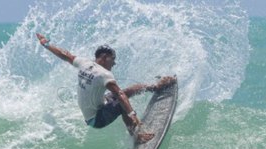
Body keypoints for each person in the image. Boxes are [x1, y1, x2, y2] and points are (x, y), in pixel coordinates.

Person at [36, 33, 176, 143]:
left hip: (97, 110)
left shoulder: (84, 63)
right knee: (122, 101)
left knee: (129, 90)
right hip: (96, 119)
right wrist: (132, 115)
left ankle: (156, 87)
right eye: (112, 58)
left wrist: (46, 44)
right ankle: (136, 136)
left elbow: (64, 55)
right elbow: (120, 95)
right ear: (104, 57)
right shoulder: (104, 74)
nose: (114, 63)